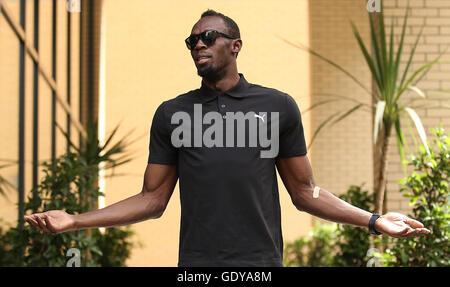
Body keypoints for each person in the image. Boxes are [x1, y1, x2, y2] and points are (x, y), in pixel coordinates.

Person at [24, 9, 430, 267]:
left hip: (261, 264)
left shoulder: (278, 106)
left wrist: (374, 220)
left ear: (235, 46)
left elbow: (305, 192)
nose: (198, 44)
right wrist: (76, 221)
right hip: (197, 266)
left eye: (209, 37)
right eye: (192, 40)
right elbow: (152, 200)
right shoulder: (172, 113)